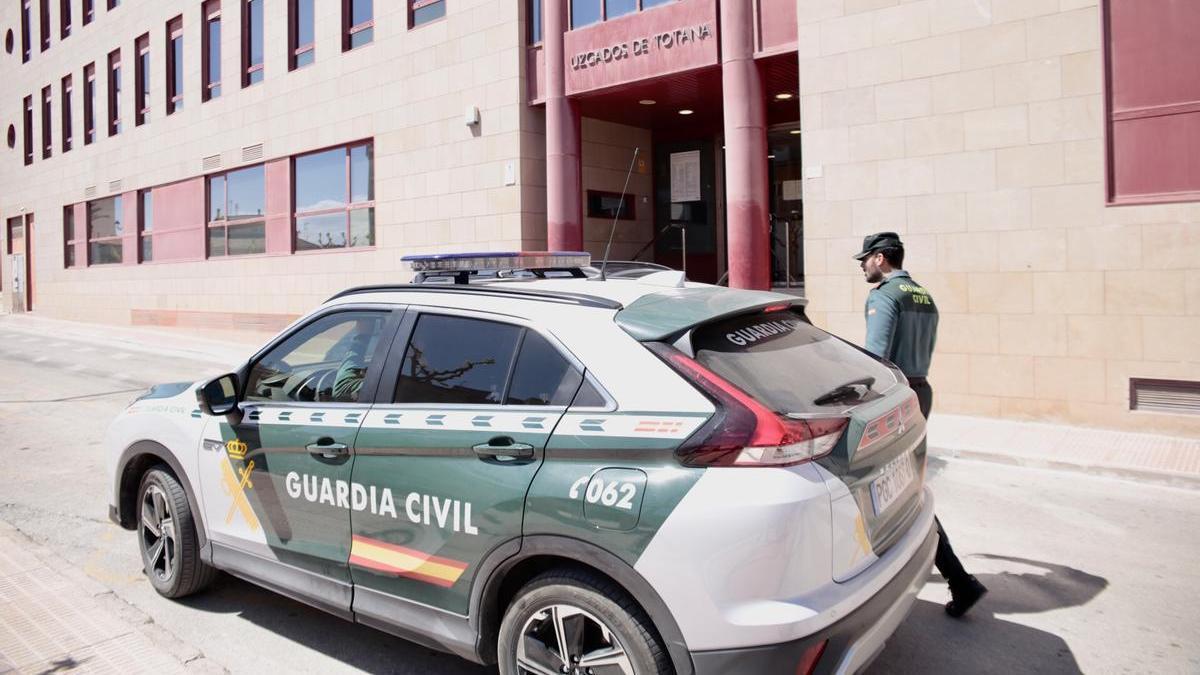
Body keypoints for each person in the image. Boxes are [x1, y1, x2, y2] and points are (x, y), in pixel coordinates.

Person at [854, 231, 988, 619]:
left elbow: (875, 359)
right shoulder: (923, 294)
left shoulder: (884, 295)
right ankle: (958, 578)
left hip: (895, 397)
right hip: (921, 390)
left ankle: (955, 578)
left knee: (895, 491)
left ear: (881, 259)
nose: (863, 266)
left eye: (865, 259)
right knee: (903, 486)